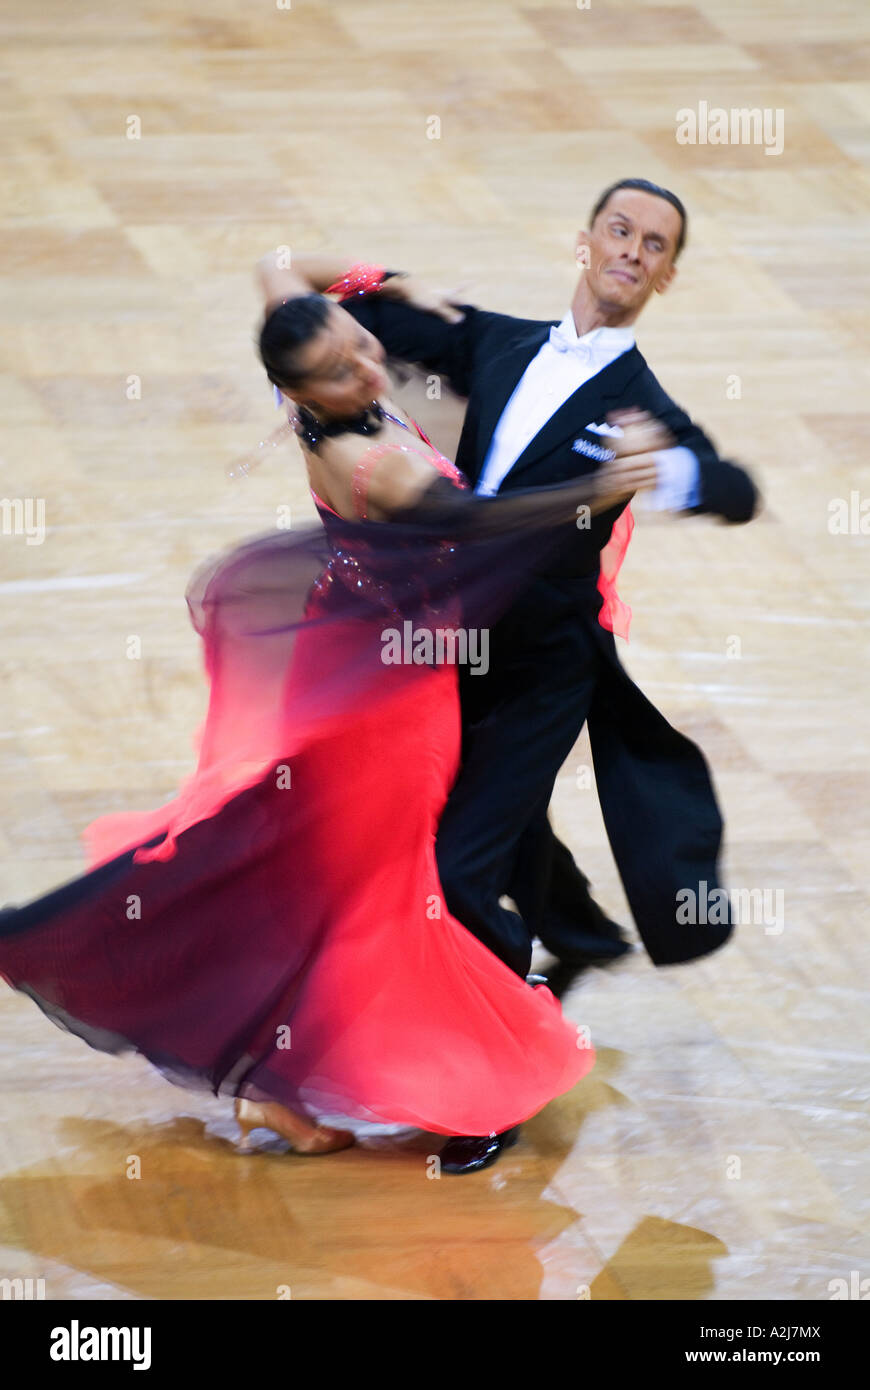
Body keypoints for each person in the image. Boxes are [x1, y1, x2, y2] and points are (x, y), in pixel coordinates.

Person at [0, 266, 663, 1172]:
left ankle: (278, 1084)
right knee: (385, 885)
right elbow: (474, 521)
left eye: (359, 343)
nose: (367, 364)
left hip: (348, 657)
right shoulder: (367, 462)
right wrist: (600, 489)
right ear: (299, 393)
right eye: (343, 368)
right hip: (389, 697)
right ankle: (446, 1073)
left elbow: (279, 269)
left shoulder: (301, 349)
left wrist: (380, 282)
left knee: (321, 870)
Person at [297, 178, 761, 1172]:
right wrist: (330, 290)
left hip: (545, 670)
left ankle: (495, 1080)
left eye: (655, 244)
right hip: (451, 650)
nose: (632, 251)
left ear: (668, 274)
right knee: (439, 833)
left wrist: (662, 472)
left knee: (458, 870)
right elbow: (339, 298)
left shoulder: (647, 403)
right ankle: (576, 929)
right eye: (620, 229)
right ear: (587, 239)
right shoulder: (500, 339)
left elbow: (737, 488)